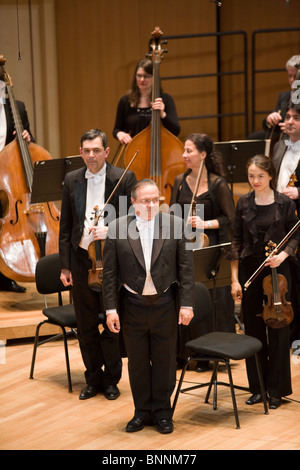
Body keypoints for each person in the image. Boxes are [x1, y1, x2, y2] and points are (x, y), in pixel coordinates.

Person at [102, 179, 195, 434]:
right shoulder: (117, 228)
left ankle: (164, 413)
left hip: (165, 304)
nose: (152, 205)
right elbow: (109, 274)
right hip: (132, 306)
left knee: (165, 362)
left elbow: (187, 271)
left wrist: (187, 304)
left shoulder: (176, 225)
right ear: (133, 202)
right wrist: (111, 309)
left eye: (156, 200)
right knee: (138, 363)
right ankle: (141, 412)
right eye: (146, 201)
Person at [59, 128, 137, 401]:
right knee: (86, 324)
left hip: (112, 262)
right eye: (86, 151)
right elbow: (66, 226)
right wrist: (65, 266)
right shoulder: (71, 180)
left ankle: (112, 379)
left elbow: (133, 221)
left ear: (106, 151)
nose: (91, 156)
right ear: (80, 152)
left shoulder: (124, 178)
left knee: (112, 323)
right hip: (82, 261)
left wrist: (111, 230)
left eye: (96, 150)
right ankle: (92, 378)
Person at [230, 154, 299, 409]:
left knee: (279, 328)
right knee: (254, 331)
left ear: (270, 175)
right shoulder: (243, 203)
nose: (255, 180)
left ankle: (277, 389)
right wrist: (235, 280)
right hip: (251, 270)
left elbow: (295, 235)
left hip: (278, 272)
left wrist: (283, 254)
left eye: (260, 175)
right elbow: (236, 241)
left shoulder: (284, 203)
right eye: (251, 176)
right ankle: (257, 387)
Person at [169, 133, 236, 371]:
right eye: (184, 151)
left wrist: (205, 224)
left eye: (189, 151)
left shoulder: (218, 184)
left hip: (211, 250)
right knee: (189, 296)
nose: (184, 155)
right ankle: (189, 352)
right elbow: (174, 215)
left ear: (203, 154)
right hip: (187, 248)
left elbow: (230, 220)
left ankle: (211, 353)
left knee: (212, 300)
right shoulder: (179, 181)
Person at [0, 63, 33, 293]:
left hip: (9, 178)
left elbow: (30, 145)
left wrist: (27, 137)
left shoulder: (18, 108)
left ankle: (5, 277)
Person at [272, 101, 300, 343]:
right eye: (288, 116)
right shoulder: (280, 146)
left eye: (296, 118)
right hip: (283, 221)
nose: (289, 121)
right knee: (288, 278)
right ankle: (291, 334)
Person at [113, 58, 180, 145]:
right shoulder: (125, 101)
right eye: (139, 75)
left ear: (154, 78)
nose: (142, 80)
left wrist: (163, 114)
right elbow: (116, 129)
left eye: (146, 76)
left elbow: (176, 131)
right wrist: (120, 134)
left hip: (161, 151)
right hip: (134, 151)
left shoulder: (165, 100)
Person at [249, 55, 300, 140]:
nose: (291, 80)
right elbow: (268, 124)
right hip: (283, 139)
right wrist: (270, 119)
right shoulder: (284, 96)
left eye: (295, 77)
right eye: (289, 76)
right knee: (252, 138)